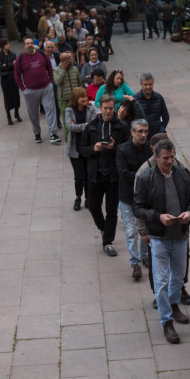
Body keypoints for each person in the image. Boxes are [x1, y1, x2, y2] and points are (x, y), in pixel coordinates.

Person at [133, 139, 190, 344]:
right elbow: (138, 208)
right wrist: (158, 216)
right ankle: (166, 322)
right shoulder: (145, 178)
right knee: (161, 282)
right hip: (159, 238)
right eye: (165, 159)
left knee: (178, 278)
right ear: (157, 157)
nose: (170, 162)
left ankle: (174, 305)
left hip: (180, 237)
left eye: (172, 157)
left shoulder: (183, 173)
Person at [80, 94, 130, 257]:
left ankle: (107, 241)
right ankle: (104, 229)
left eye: (111, 108)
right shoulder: (92, 126)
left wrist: (114, 148)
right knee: (93, 206)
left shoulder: (121, 127)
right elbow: (82, 149)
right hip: (95, 175)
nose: (108, 111)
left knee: (112, 210)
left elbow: (126, 150)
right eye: (105, 108)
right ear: (100, 108)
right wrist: (93, 149)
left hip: (113, 177)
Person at [116, 119, 151, 280]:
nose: (143, 134)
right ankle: (135, 263)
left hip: (145, 199)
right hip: (128, 198)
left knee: (145, 231)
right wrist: (143, 177)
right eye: (139, 131)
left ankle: (144, 256)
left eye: (145, 131)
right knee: (131, 232)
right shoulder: (122, 150)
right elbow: (124, 174)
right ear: (132, 132)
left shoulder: (150, 149)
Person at [14, 37, 62, 145]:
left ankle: (53, 134)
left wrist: (50, 82)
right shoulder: (20, 58)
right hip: (30, 90)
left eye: (31, 43)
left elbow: (49, 67)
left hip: (46, 88)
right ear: (24, 46)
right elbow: (17, 75)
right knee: (33, 113)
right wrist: (23, 89)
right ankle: (37, 133)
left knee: (50, 110)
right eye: (27, 43)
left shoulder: (41, 54)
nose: (30, 45)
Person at [65, 87, 96, 211]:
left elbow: (93, 125)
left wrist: (77, 126)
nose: (85, 98)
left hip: (88, 148)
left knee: (89, 176)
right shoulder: (69, 110)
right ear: (75, 99)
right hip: (75, 149)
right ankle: (78, 197)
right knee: (79, 177)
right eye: (82, 96)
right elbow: (69, 127)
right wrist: (85, 125)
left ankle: (88, 199)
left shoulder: (91, 109)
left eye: (85, 96)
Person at [52, 51, 83, 129]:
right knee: (67, 122)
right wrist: (63, 69)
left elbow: (80, 83)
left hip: (75, 98)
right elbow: (57, 81)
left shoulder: (75, 69)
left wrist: (81, 95)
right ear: (61, 60)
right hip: (63, 99)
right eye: (64, 60)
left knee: (77, 119)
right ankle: (67, 139)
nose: (67, 61)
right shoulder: (56, 70)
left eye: (68, 59)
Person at [0, 38, 22, 125]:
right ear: (3, 45)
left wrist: (6, 64)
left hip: (13, 78)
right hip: (5, 80)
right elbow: (0, 67)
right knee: (7, 97)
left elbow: (16, 65)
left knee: (16, 95)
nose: (8, 45)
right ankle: (8, 116)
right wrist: (10, 64)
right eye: (7, 44)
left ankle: (17, 113)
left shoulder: (13, 54)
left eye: (9, 43)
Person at [134, 73, 170, 137]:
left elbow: (166, 116)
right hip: (141, 135)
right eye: (145, 84)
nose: (148, 87)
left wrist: (161, 129)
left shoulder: (159, 97)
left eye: (150, 84)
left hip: (157, 133)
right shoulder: (135, 99)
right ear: (141, 85)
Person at [42, 40, 61, 125]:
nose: (50, 49)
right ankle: (51, 121)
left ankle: (57, 120)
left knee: (57, 102)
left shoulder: (57, 56)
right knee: (49, 103)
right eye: (48, 47)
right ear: (44, 48)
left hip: (55, 82)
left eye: (51, 47)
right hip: (46, 83)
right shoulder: (41, 57)